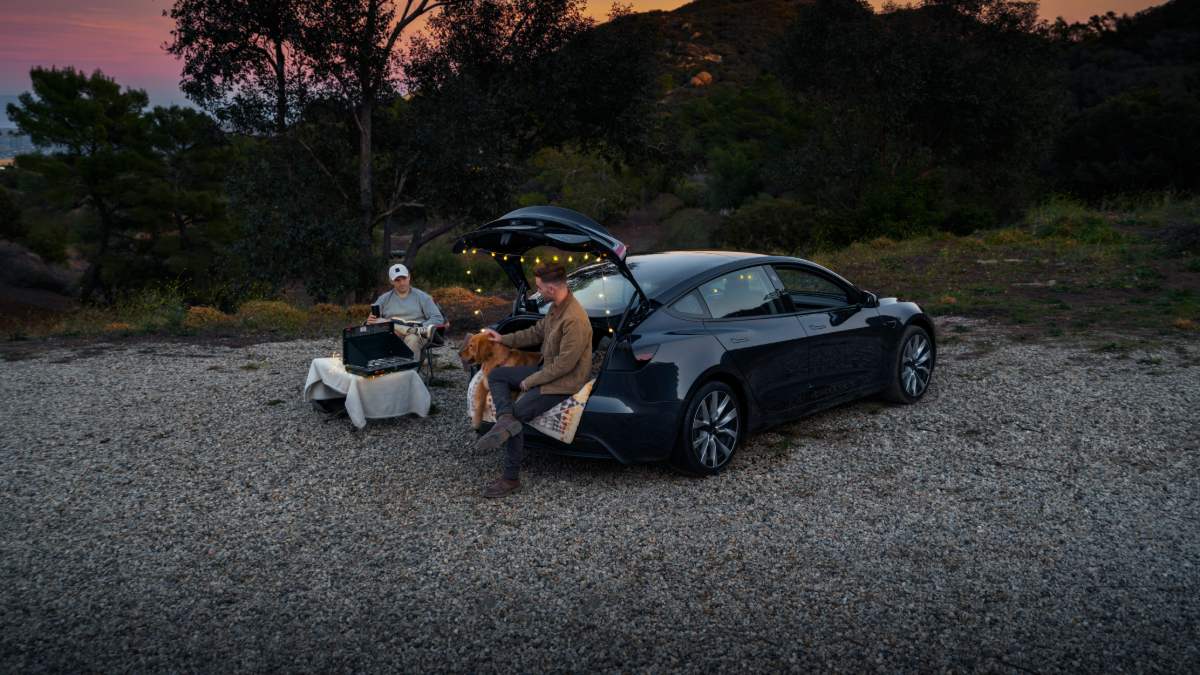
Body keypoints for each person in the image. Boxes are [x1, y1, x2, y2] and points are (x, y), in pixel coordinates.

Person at [475, 263, 593, 498]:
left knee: (519, 413)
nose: (536, 293)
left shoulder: (574, 319)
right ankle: (504, 420)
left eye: (539, 288)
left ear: (551, 288)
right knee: (497, 375)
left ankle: (510, 478)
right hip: (546, 368)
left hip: (564, 381)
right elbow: (536, 332)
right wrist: (503, 338)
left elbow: (564, 366)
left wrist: (531, 381)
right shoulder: (555, 307)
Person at [366, 263, 445, 359]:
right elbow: (372, 322)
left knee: (412, 338)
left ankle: (409, 372)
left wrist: (421, 328)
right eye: (397, 280)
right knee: (381, 325)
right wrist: (370, 320)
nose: (402, 283)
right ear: (392, 281)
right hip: (393, 333)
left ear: (409, 277)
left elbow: (438, 318)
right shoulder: (384, 299)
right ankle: (388, 370)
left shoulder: (422, 297)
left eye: (404, 278)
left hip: (417, 333)